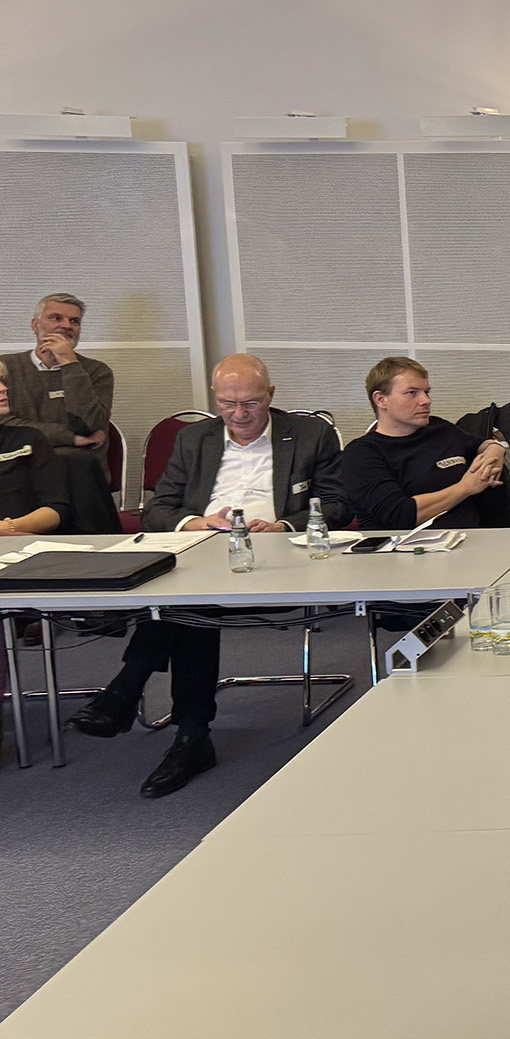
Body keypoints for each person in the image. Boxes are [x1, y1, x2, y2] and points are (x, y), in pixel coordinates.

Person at [65, 354, 348, 798]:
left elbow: (337, 504)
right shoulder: (195, 438)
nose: (239, 414)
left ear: (271, 395)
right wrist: (196, 523)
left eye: (250, 403)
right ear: (215, 398)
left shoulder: (311, 434)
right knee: (191, 601)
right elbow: (158, 510)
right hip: (206, 551)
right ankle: (189, 736)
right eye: (227, 404)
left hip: (277, 558)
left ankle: (132, 696)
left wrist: (283, 526)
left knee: (186, 603)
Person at [343, 356, 510, 530]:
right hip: (404, 544)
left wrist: (495, 449)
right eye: (412, 393)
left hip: (473, 538)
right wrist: (465, 488)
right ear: (380, 399)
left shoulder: (440, 428)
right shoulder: (362, 454)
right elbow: (398, 515)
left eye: (427, 392)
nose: (426, 401)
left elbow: (481, 444)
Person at [0, 292, 119, 532]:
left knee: (76, 463)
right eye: (56, 318)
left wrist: (69, 364)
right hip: (22, 478)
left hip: (80, 479)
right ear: (35, 325)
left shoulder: (96, 371)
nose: (66, 326)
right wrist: (71, 438)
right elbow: (8, 425)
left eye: (74, 321)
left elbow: (91, 426)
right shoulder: (6, 368)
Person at [0, 357, 71, 535]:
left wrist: (9, 528)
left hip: (22, 541)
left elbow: (56, 510)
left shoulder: (29, 439)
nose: (4, 388)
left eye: (2, 381)